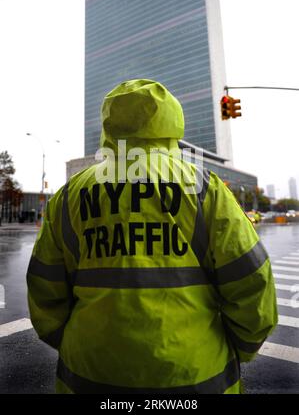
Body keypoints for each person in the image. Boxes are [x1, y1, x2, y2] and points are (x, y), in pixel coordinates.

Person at [27, 79, 277, 394]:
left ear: (109, 125)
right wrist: (242, 346)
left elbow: (43, 286)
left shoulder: (70, 194)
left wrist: (71, 340)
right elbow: (251, 279)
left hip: (89, 369)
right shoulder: (203, 187)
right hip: (194, 371)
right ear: (171, 121)